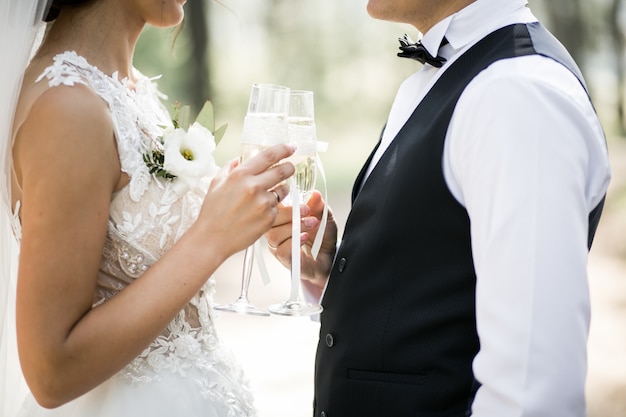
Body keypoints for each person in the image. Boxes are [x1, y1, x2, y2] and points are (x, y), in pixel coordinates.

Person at [266, 0, 612, 415]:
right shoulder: (440, 78)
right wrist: (335, 271)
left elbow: (529, 392)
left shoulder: (517, 92)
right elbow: (442, 280)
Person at [0, 0, 296, 416]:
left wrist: (234, 208)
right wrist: (211, 236)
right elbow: (51, 373)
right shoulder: (68, 107)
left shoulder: (127, 87)